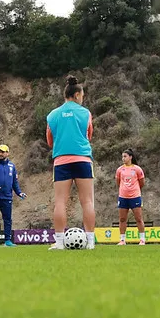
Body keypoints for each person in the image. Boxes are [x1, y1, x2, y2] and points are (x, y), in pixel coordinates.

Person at [46, 76, 95, 251]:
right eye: (82, 95)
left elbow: (50, 141)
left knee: (60, 202)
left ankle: (59, 242)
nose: (83, 99)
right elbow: (88, 135)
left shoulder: (52, 115)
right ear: (76, 95)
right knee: (87, 201)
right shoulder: (85, 113)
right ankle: (90, 242)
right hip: (82, 159)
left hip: (61, 161)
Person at [115, 149, 146, 246]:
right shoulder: (120, 169)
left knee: (138, 218)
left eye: (125, 156)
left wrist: (134, 190)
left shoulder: (137, 169)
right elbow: (118, 182)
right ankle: (122, 240)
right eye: (122, 157)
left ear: (130, 157)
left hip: (135, 197)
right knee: (122, 219)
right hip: (123, 197)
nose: (123, 158)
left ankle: (142, 239)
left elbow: (142, 183)